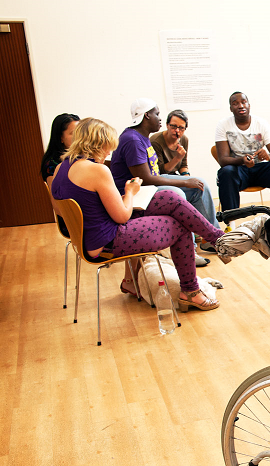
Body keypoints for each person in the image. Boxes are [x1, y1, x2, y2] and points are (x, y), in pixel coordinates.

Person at [50, 118, 225, 311]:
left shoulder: (61, 167)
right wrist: (131, 192)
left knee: (168, 197)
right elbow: (122, 217)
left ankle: (218, 239)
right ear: (97, 144)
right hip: (107, 240)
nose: (109, 153)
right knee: (180, 225)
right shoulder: (97, 170)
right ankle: (191, 292)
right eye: (107, 147)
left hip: (88, 237)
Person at [109, 98, 213, 269]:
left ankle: (212, 238)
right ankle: (191, 250)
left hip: (149, 187)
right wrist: (185, 182)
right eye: (157, 114)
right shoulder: (133, 140)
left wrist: (188, 181)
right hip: (137, 193)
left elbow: (155, 172)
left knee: (200, 184)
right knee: (177, 194)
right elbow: (146, 178)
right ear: (147, 116)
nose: (159, 118)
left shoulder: (142, 137)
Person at [215, 91, 270, 222]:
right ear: (231, 108)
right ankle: (231, 221)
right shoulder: (223, 125)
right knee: (226, 172)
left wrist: (269, 157)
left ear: (249, 105)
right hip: (240, 171)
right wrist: (241, 160)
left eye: (243, 102)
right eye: (235, 103)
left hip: (262, 170)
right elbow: (223, 160)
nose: (240, 106)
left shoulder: (261, 124)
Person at [149, 109, 219, 252]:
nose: (177, 131)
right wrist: (177, 159)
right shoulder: (156, 141)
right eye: (174, 126)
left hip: (174, 175)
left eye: (181, 128)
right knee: (188, 189)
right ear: (167, 125)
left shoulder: (184, 139)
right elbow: (161, 172)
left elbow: (184, 165)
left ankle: (211, 236)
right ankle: (204, 240)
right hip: (160, 178)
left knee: (200, 185)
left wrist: (186, 177)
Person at [41, 113, 80, 237]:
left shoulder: (78, 157)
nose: (79, 138)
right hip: (73, 222)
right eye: (73, 133)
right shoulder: (52, 164)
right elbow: (58, 206)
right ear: (60, 138)